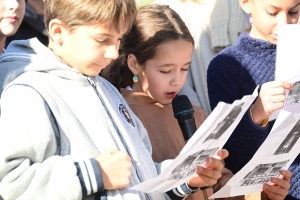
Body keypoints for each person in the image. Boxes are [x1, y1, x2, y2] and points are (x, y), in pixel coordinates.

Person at [0, 0, 228, 199]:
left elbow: (140, 176)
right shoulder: (29, 92)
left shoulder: (107, 90)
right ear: (58, 32)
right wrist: (96, 173)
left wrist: (184, 178)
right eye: (102, 40)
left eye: (118, 39)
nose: (113, 52)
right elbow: (10, 183)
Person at [102, 4, 291, 200]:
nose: (177, 80)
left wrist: (262, 193)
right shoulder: (123, 114)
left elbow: (219, 184)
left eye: (184, 69)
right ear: (134, 64)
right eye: (165, 71)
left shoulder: (196, 114)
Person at [207, 0, 300, 199]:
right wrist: (257, 114)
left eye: (294, 11)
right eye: (272, 13)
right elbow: (231, 159)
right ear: (246, 3)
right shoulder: (227, 66)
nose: (284, 22)